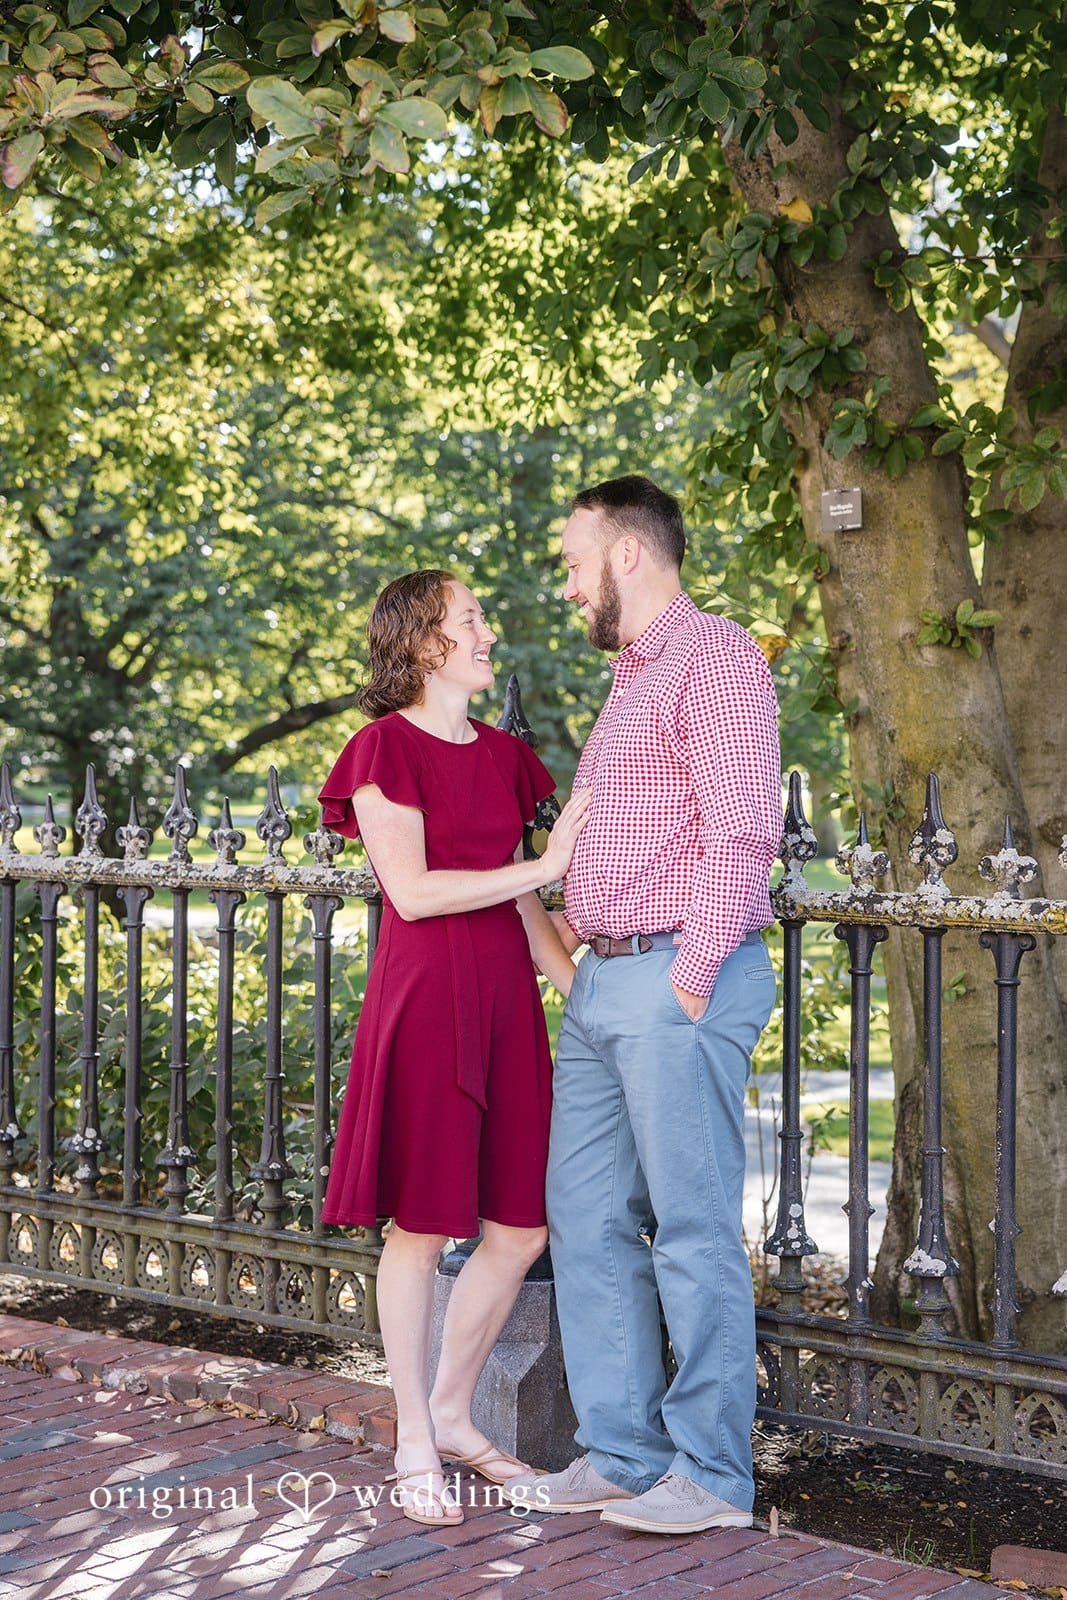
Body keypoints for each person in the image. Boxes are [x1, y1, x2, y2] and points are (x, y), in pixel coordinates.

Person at [504, 476, 781, 1535]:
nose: (567, 582)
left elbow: (743, 831)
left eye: (574, 560)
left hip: (677, 974)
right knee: (584, 1218)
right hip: (604, 978)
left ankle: (710, 1477)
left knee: (692, 1228)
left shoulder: (711, 657)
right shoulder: (630, 679)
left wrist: (689, 975)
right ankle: (621, 1452)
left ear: (626, 553)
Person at [317, 569, 589, 1528]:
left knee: (520, 1227)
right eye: (470, 618)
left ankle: (452, 1416)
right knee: (421, 1228)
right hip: (427, 1001)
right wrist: (550, 863)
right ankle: (414, 1442)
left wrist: (577, 991)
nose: (486, 631)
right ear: (425, 642)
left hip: (508, 1006)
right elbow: (417, 892)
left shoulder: (508, 757)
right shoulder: (382, 749)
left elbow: (518, 898)